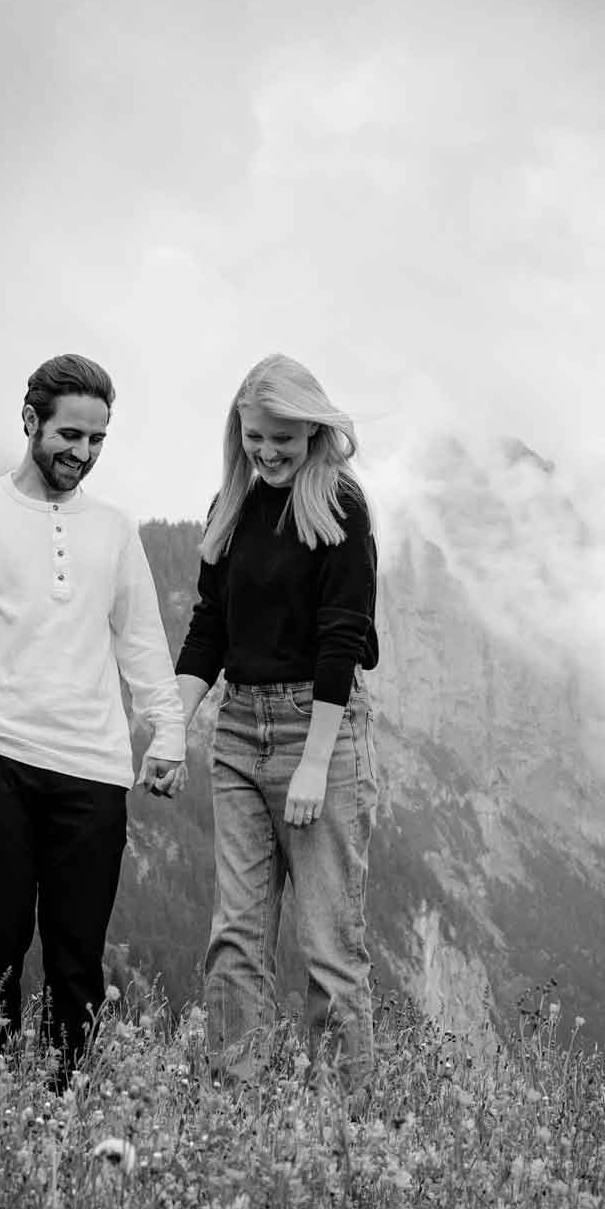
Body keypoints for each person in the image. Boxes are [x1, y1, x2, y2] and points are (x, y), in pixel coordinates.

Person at [0, 353, 186, 1083]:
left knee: (77, 949)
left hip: (92, 765)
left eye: (98, 440)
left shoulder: (114, 529)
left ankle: (67, 1100)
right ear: (30, 420)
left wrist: (169, 729)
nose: (83, 454)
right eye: (70, 435)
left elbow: (140, 637)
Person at [174, 354, 379, 1101]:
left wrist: (315, 765)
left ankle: (345, 1126)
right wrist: (174, 729)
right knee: (235, 937)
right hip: (237, 732)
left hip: (317, 730)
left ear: (315, 432)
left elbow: (343, 638)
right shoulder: (230, 507)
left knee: (329, 947)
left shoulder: (340, 507)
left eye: (283, 440)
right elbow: (208, 632)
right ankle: (236, 1108)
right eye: (256, 438)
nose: (268, 453)